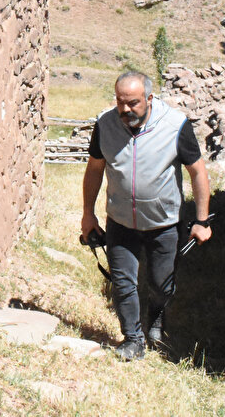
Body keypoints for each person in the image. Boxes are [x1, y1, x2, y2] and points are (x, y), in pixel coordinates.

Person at [81, 70, 211, 361]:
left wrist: (202, 220)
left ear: (149, 98)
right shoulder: (105, 125)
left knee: (162, 283)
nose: (125, 109)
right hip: (120, 221)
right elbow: (94, 169)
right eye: (120, 102)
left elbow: (198, 172)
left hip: (164, 223)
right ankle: (132, 339)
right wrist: (88, 214)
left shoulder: (175, 125)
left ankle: (157, 316)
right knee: (123, 282)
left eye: (133, 103)